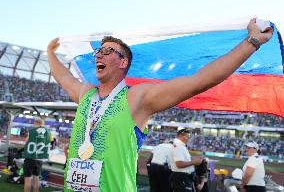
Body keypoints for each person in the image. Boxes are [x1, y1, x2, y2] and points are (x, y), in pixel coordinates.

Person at [47, 18, 273, 192]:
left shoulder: (137, 98)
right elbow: (63, 76)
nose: (99, 55)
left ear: (123, 62)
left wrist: (251, 42)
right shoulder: (86, 94)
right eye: (99, 51)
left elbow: (199, 81)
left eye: (108, 51)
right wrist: (50, 52)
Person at [23, 117, 51, 192]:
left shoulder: (32, 131)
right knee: (36, 178)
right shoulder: (48, 132)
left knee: (28, 179)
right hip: (40, 159)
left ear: (36, 123)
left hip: (30, 158)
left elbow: (26, 141)